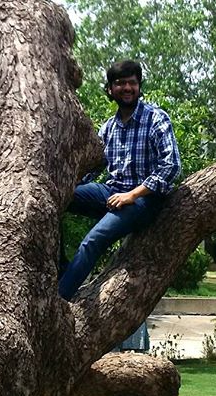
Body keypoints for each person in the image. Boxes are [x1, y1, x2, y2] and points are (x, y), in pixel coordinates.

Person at [58, 59, 181, 300]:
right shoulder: (109, 128)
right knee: (54, 197)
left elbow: (171, 166)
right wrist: (72, 185)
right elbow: (93, 168)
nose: (127, 88)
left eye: (132, 83)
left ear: (139, 86)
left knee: (92, 240)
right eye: (120, 83)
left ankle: (59, 298)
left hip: (144, 201)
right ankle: (61, 269)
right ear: (110, 89)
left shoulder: (156, 118)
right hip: (112, 193)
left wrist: (132, 194)